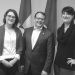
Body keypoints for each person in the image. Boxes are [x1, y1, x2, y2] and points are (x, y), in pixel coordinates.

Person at [0, 9, 23, 75]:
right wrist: (2, 60)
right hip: (1, 62)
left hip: (14, 61)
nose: (11, 18)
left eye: (13, 17)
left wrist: (14, 60)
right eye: (9, 16)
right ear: (5, 17)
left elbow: (20, 47)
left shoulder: (18, 31)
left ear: (15, 19)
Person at [54, 6, 75, 75]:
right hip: (57, 63)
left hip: (68, 66)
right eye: (63, 13)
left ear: (73, 16)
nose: (65, 16)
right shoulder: (59, 29)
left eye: (68, 14)